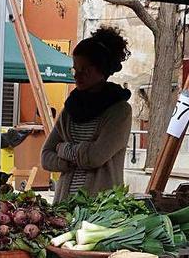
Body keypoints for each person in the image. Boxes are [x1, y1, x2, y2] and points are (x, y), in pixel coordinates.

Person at [41, 26, 133, 203]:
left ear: (101, 69)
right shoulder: (70, 109)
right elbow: (45, 156)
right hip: (64, 206)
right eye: (75, 70)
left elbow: (95, 157)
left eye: (85, 70)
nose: (77, 76)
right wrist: (69, 161)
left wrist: (64, 149)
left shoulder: (119, 111)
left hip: (100, 210)